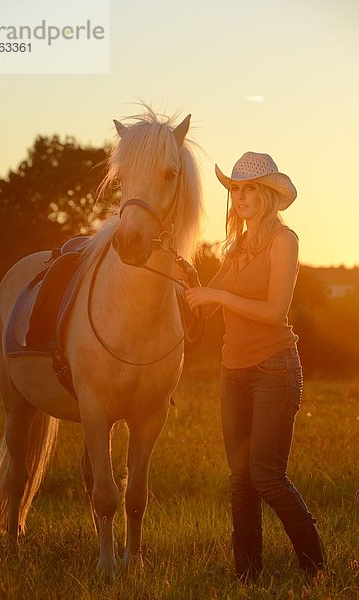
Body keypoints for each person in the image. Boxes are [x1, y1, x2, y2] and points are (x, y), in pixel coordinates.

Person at [178, 152, 326, 582]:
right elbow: (205, 308)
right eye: (235, 190)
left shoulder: (285, 240)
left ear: (267, 194)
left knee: (266, 475)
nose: (240, 197)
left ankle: (316, 568)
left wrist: (216, 298)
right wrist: (189, 282)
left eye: (248, 189)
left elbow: (273, 310)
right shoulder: (238, 247)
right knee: (240, 479)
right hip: (233, 371)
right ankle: (247, 576)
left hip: (274, 369)